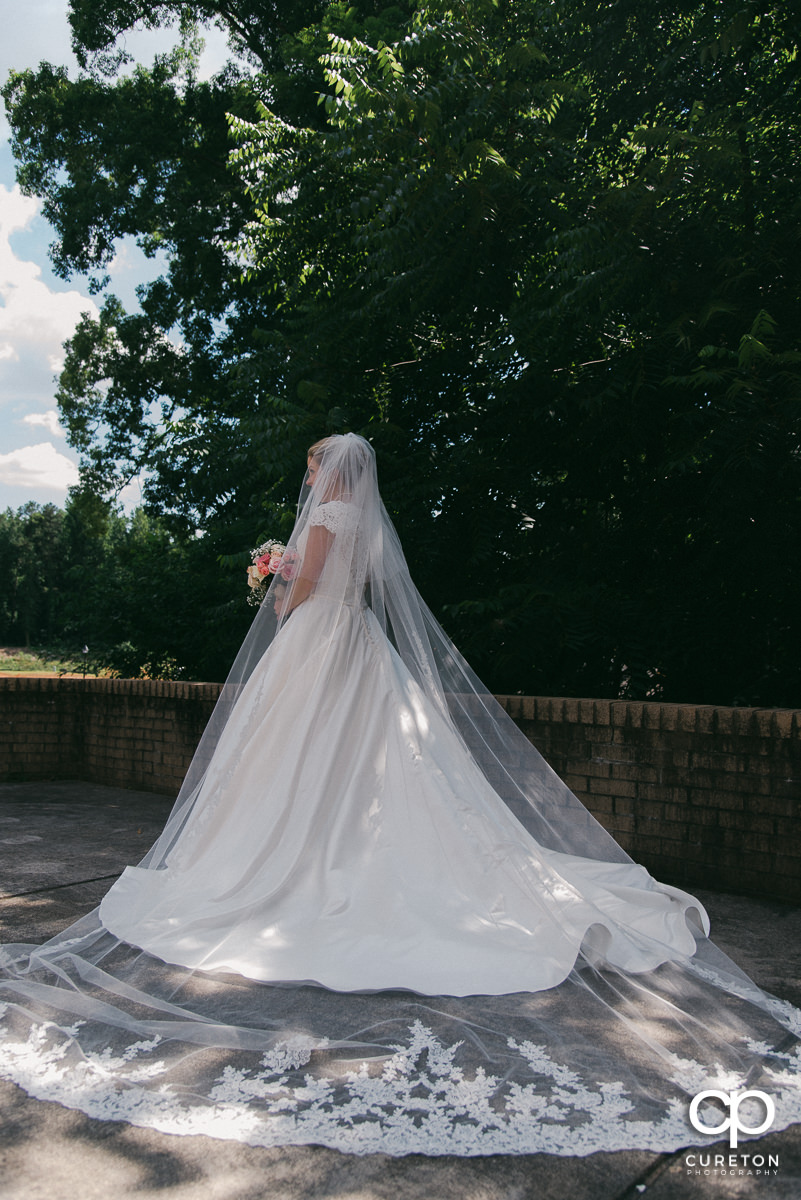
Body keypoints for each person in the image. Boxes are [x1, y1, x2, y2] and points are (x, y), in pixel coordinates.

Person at [1, 432, 800, 1157]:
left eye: (312, 466)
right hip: (359, 649)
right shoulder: (370, 530)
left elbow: (300, 597)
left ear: (329, 474)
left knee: (299, 762)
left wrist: (275, 574)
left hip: (317, 646)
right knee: (377, 762)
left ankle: (301, 856)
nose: (306, 476)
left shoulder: (325, 524)